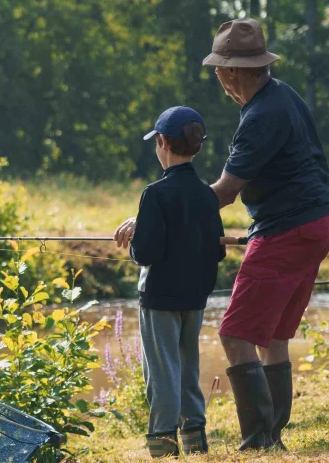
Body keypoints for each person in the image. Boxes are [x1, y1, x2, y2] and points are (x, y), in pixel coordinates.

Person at [200, 17, 329, 451]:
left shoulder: (260, 116)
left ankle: (260, 441)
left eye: (220, 68)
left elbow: (223, 192)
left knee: (236, 333)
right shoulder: (283, 96)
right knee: (274, 335)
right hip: (316, 222)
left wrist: (159, 211)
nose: (219, 77)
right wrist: (256, 231)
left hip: (289, 229)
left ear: (232, 71)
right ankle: (273, 433)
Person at [117, 106, 226, 458]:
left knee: (162, 374)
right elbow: (217, 252)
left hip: (160, 299)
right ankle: (196, 442)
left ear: (162, 142)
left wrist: (133, 244)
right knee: (187, 368)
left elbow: (145, 253)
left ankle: (163, 446)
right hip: (195, 298)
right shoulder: (208, 195)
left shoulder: (155, 193)